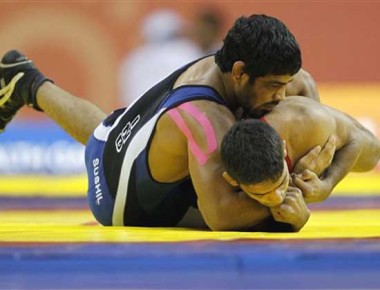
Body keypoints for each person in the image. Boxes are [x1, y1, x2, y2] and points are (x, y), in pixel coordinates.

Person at [0, 14, 333, 232]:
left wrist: (324, 182)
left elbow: (360, 143)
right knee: (257, 203)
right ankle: (30, 85)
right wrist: (292, 209)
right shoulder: (206, 114)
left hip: (117, 139)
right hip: (120, 205)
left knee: (104, 132)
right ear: (240, 73)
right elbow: (222, 216)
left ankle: (29, 82)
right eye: (274, 86)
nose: (283, 95)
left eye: (287, 84)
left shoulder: (240, 71)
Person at [221, 96, 380, 210]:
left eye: (282, 183)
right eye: (261, 195)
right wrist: (290, 179)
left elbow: (359, 142)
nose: (277, 198)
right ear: (232, 180)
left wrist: (327, 184)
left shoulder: (308, 126)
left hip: (360, 142)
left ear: (283, 150)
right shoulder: (230, 154)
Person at [119, 9, 201, 106]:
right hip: (177, 114)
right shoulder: (186, 51)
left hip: (139, 116)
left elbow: (126, 96)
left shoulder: (133, 59)